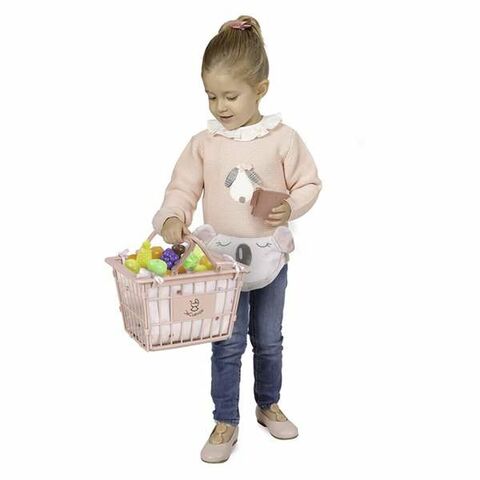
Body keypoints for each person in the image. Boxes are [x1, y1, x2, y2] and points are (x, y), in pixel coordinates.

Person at [152, 15, 323, 463]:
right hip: (221, 263)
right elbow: (182, 188)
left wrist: (292, 206)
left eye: (231, 96)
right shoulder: (205, 143)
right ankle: (225, 419)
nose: (221, 106)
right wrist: (172, 217)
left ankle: (268, 404)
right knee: (226, 345)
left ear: (260, 89)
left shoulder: (283, 139)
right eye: (212, 96)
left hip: (270, 258)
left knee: (269, 339)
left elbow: (309, 183)